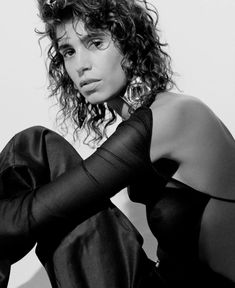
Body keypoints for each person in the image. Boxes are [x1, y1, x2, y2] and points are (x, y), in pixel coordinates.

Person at [0, 0, 235, 287]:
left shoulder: (177, 116)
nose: (81, 65)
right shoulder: (149, 117)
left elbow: (33, 215)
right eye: (69, 52)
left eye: (95, 42)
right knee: (36, 148)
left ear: (129, 43)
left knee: (36, 155)